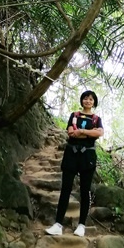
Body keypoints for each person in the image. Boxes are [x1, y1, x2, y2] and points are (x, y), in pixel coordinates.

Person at [45, 90, 104, 237]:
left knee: (85, 191)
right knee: (65, 189)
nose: (88, 101)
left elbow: (100, 133)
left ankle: (81, 225)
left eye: (91, 99)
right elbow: (71, 132)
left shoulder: (96, 119)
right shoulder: (75, 115)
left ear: (94, 102)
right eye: (85, 98)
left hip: (88, 156)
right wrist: (89, 133)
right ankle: (58, 224)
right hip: (71, 154)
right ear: (82, 100)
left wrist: (82, 131)